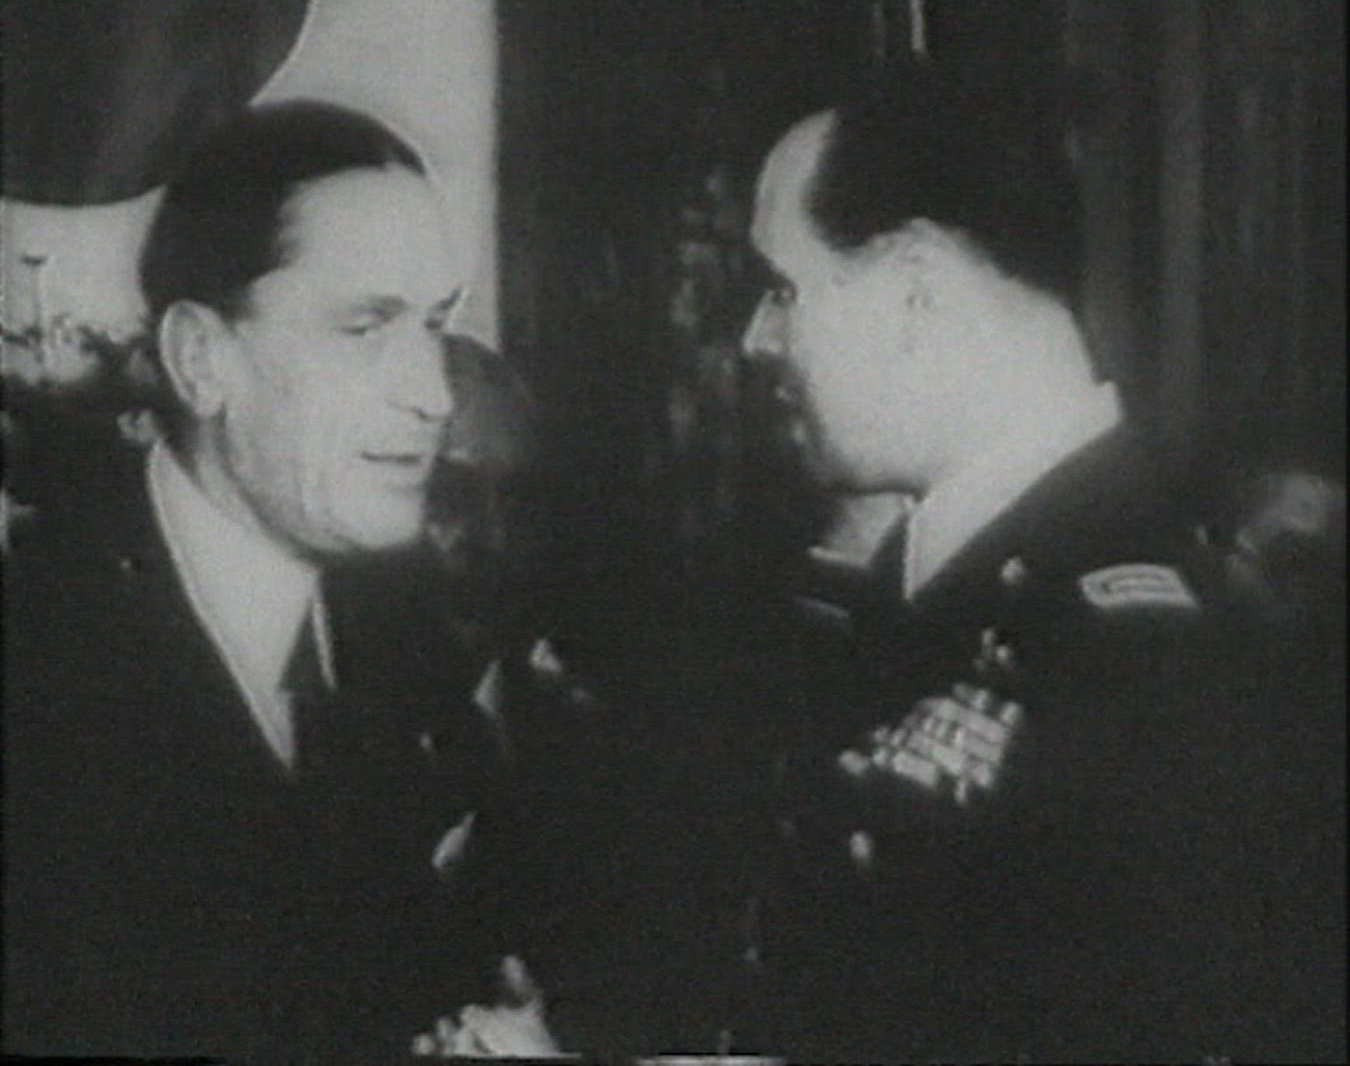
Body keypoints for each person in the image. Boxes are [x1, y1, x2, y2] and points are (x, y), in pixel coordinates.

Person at [647, 68, 1344, 1060]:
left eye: (783, 289)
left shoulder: (1143, 654)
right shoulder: (938, 587)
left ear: (917, 288)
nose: (758, 338)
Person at [3, 100, 564, 1059]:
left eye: (435, 326)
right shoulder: (38, 673)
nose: (434, 394)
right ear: (201, 360)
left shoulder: (409, 646)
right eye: (364, 327)